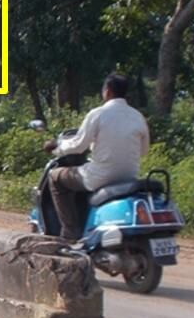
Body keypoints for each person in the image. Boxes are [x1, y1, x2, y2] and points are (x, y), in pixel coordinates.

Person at [44, 73, 150, 242]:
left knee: (55, 178)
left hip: (100, 176)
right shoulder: (138, 116)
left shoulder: (98, 114)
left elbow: (78, 146)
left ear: (107, 91)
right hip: (129, 177)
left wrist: (57, 148)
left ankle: (70, 232)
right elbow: (143, 151)